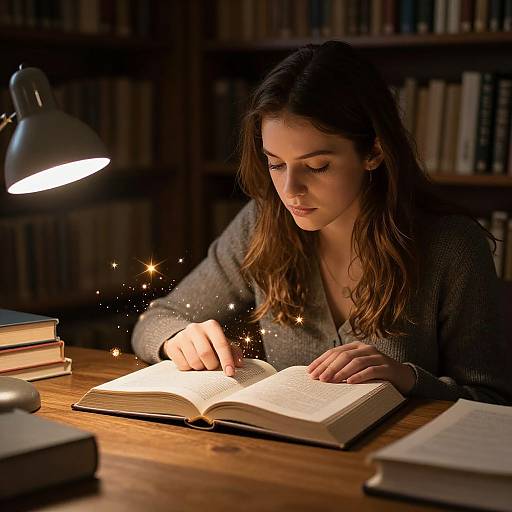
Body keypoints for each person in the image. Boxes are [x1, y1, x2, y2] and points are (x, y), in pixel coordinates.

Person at [132, 40, 511, 404]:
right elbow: (156, 319)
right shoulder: (263, 223)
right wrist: (179, 336)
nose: (290, 189)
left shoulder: (451, 247)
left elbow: (493, 401)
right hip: (293, 458)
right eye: (276, 164)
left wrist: (408, 378)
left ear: (374, 152)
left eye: (317, 166)